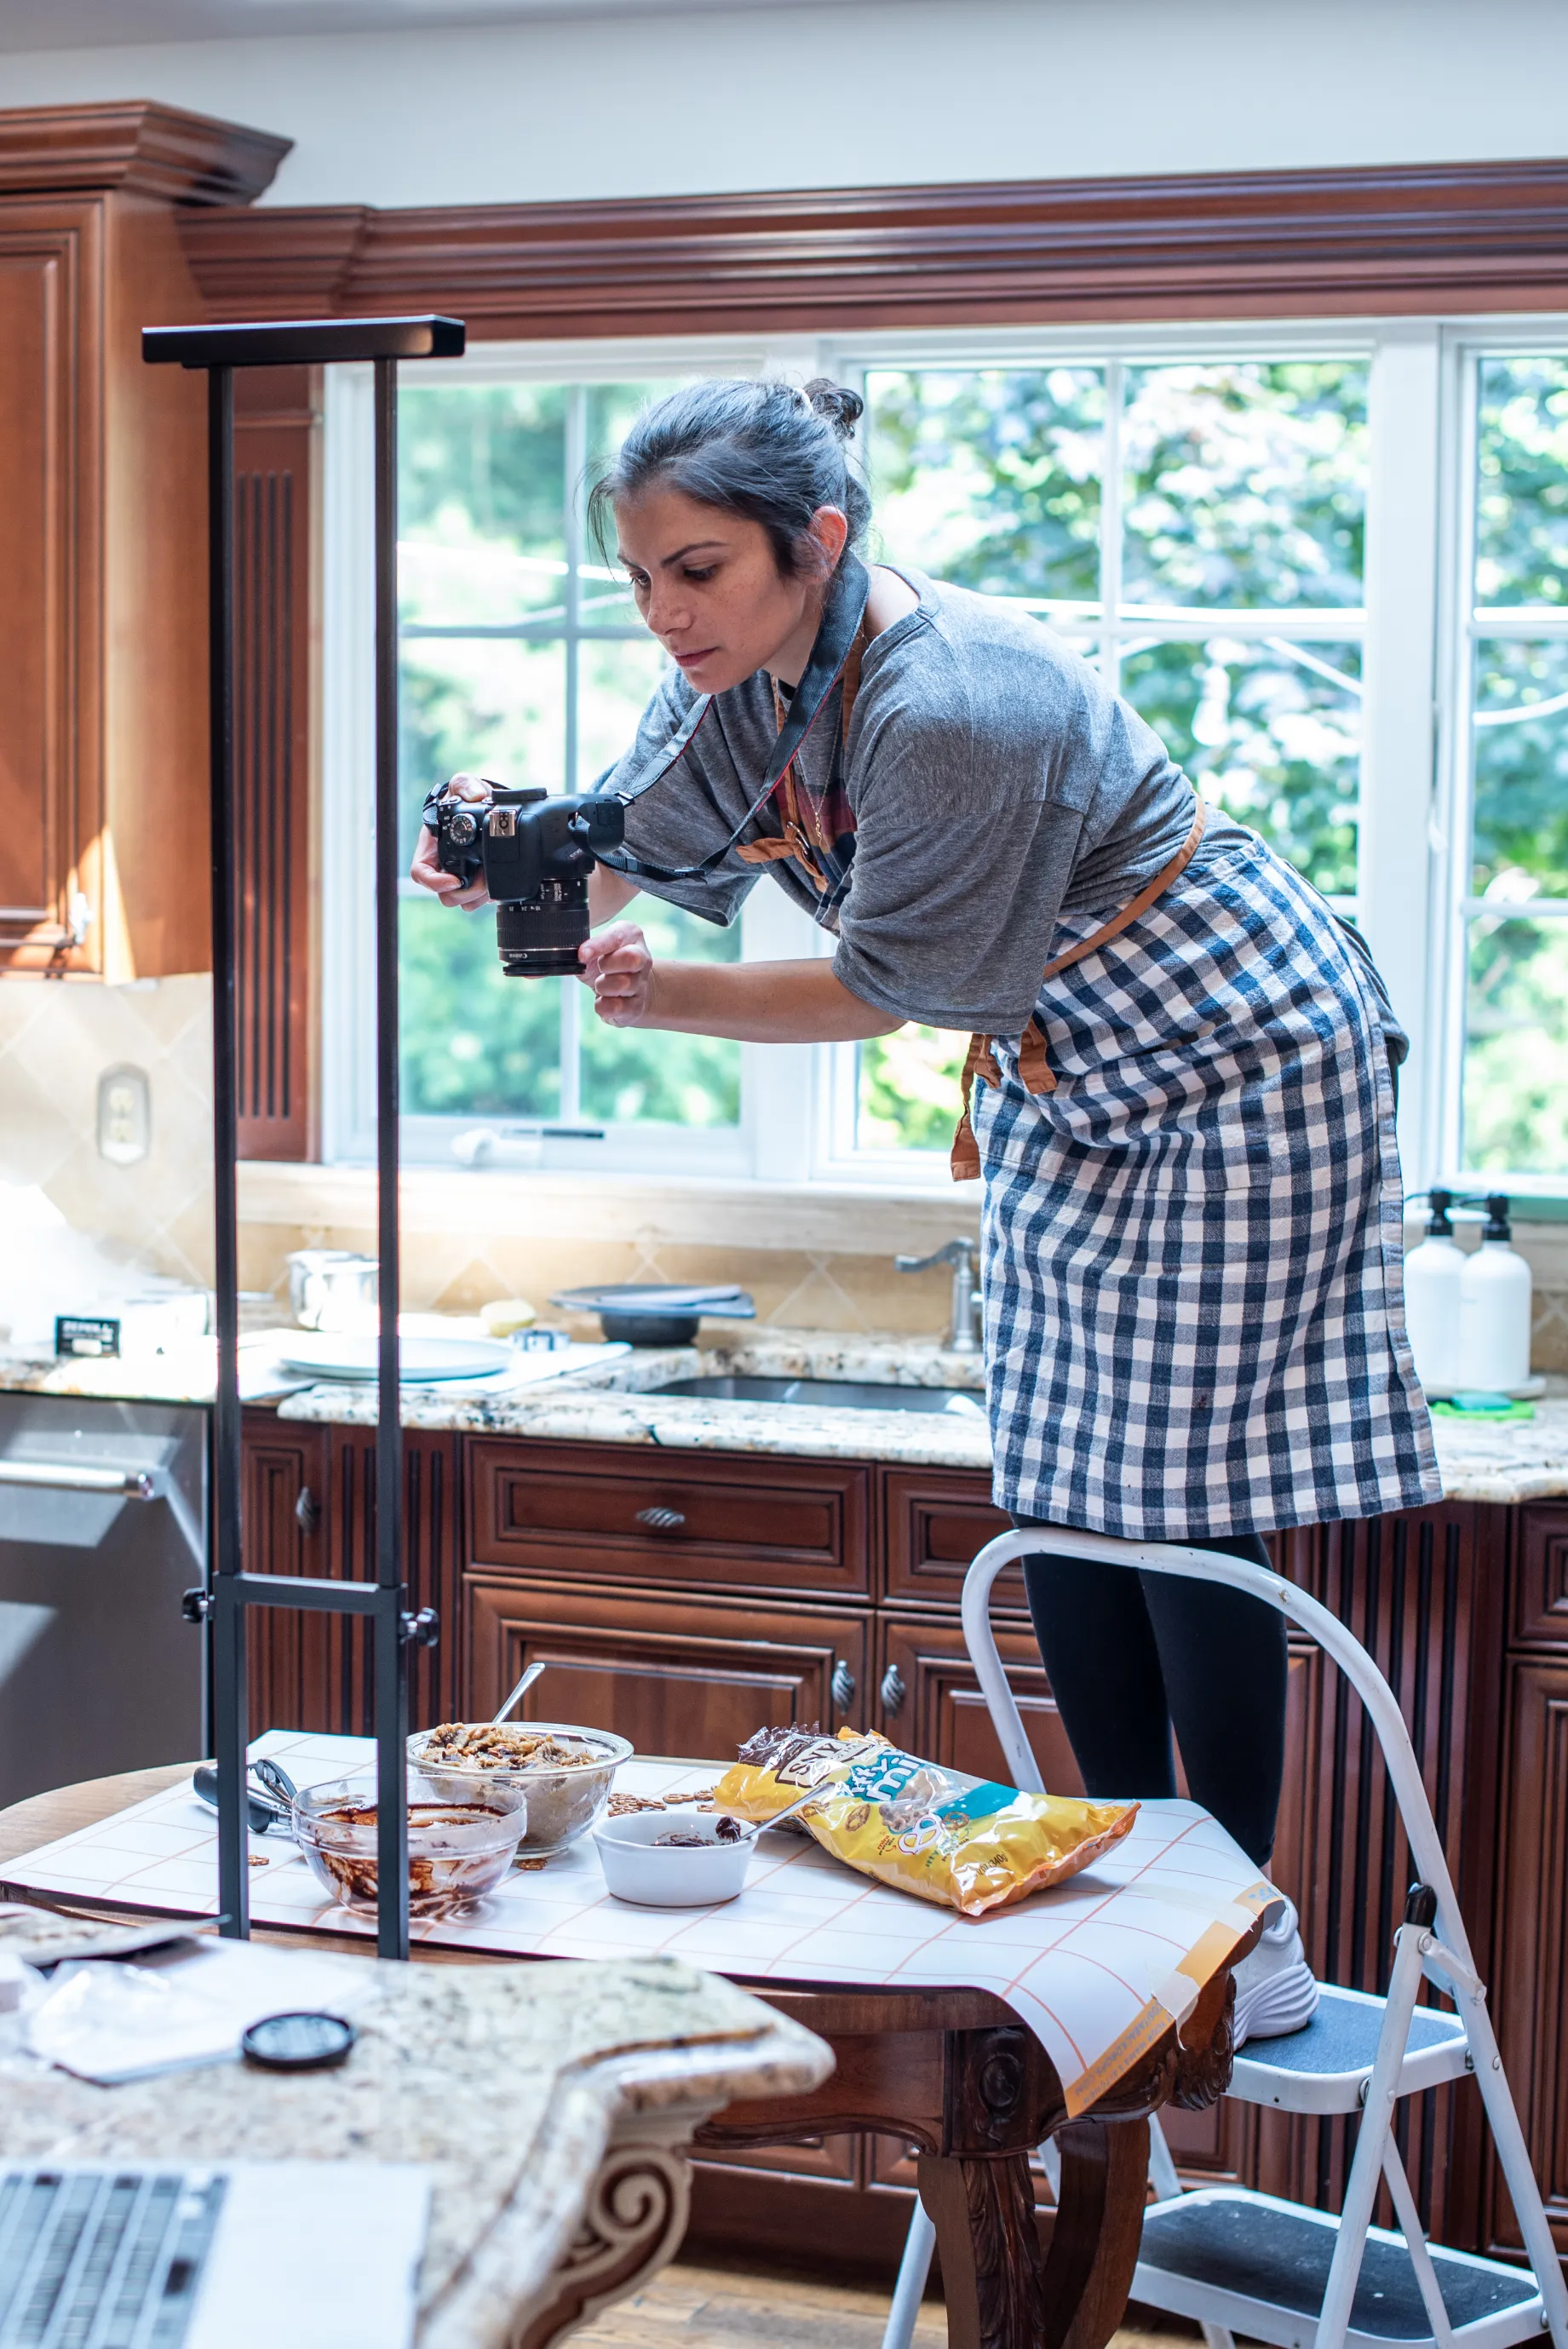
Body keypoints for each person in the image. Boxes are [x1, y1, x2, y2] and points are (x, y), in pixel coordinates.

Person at [411, 376, 1441, 2039]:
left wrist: (665, 996)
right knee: (1060, 1489)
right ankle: (1132, 1893)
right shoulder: (736, 673)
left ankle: (1234, 1936)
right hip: (1064, 1064)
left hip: (1238, 1060)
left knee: (1175, 1502)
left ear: (814, 541)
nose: (665, 613)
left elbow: (886, 988)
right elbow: (631, 852)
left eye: (698, 570)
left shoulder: (951, 701)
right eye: (640, 577)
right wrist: (510, 859)